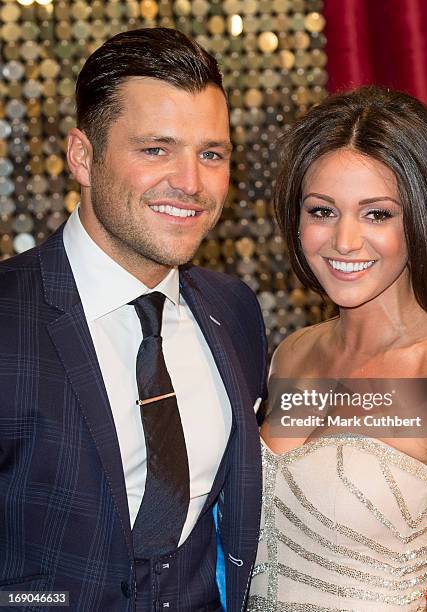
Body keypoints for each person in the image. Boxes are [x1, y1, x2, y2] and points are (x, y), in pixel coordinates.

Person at [0, 28, 267, 611]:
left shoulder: (234, 311)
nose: (191, 183)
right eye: (156, 149)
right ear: (83, 157)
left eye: (212, 154)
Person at [247, 86, 427, 611]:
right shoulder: (293, 355)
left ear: (421, 219)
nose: (344, 241)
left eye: (376, 214)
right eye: (322, 210)